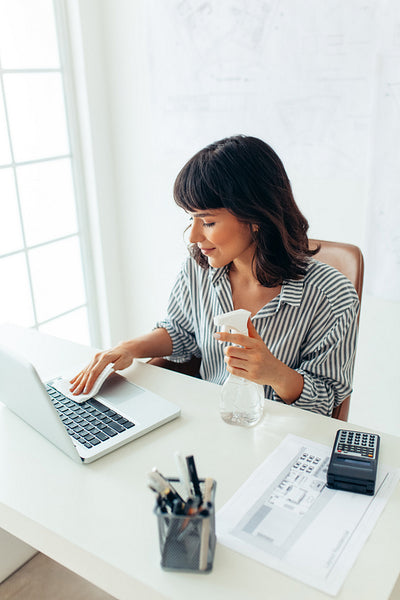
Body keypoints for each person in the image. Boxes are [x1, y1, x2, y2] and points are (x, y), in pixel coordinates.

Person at [70, 135, 359, 416]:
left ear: (255, 218)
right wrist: (126, 349)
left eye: (208, 221)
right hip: (211, 422)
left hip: (283, 440)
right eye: (191, 218)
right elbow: (181, 332)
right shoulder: (199, 268)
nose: (194, 236)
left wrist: (275, 373)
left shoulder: (333, 296)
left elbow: (326, 403)